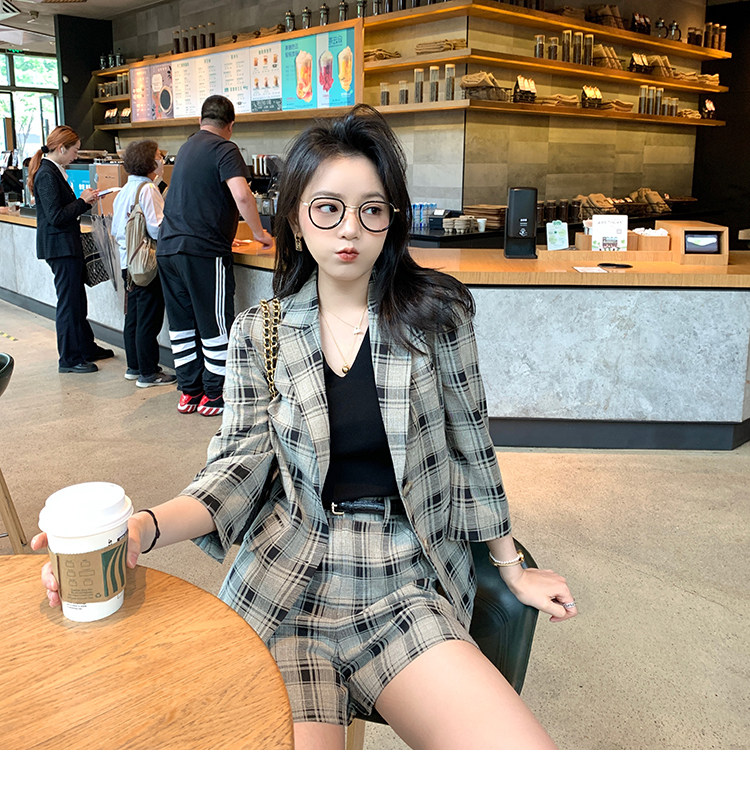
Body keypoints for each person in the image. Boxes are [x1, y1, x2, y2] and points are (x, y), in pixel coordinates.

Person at [33, 105, 576, 750]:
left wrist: (512, 566)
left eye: (372, 209)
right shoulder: (259, 333)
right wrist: (141, 529)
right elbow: (234, 472)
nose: (350, 229)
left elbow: (472, 446)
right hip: (288, 580)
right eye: (328, 208)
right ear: (294, 217)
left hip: (404, 578)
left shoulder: (437, 316)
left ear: (392, 217)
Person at [156, 94, 273, 417]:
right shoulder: (225, 148)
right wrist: (260, 233)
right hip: (203, 251)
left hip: (168, 248)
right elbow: (241, 195)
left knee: (182, 325)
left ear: (200, 121)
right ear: (231, 125)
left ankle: (189, 392)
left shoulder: (187, 148)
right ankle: (215, 394)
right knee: (216, 322)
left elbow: (196, 198)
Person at [27, 126, 114, 374]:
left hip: (65, 245)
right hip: (60, 247)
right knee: (69, 303)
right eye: (75, 151)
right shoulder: (47, 174)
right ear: (62, 148)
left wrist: (84, 202)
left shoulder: (54, 171)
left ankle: (85, 348)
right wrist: (82, 201)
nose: (76, 156)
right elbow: (56, 216)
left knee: (77, 300)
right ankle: (69, 358)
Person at [111, 140, 176, 388]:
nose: (162, 159)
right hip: (146, 262)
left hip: (128, 261)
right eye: (158, 155)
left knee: (134, 316)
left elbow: (117, 229)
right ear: (149, 161)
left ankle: (134, 366)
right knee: (149, 317)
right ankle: (148, 372)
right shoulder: (148, 189)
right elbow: (157, 229)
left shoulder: (125, 189)